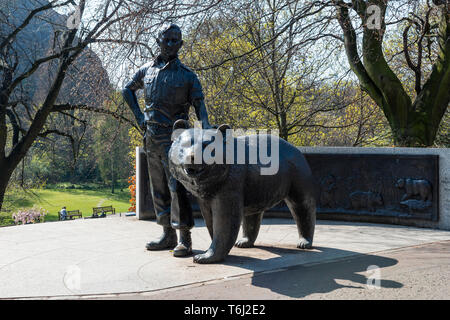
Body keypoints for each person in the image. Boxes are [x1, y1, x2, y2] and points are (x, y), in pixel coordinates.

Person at [122, 23, 211, 257]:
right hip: (151, 136)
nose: (171, 44)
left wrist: (207, 128)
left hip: (177, 139)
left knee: (176, 187)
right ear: (159, 40)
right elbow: (127, 90)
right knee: (158, 186)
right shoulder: (146, 70)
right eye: (167, 39)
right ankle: (166, 234)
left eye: (175, 40)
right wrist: (139, 117)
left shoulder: (188, 76)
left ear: (181, 44)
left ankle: (184, 237)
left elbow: (200, 105)